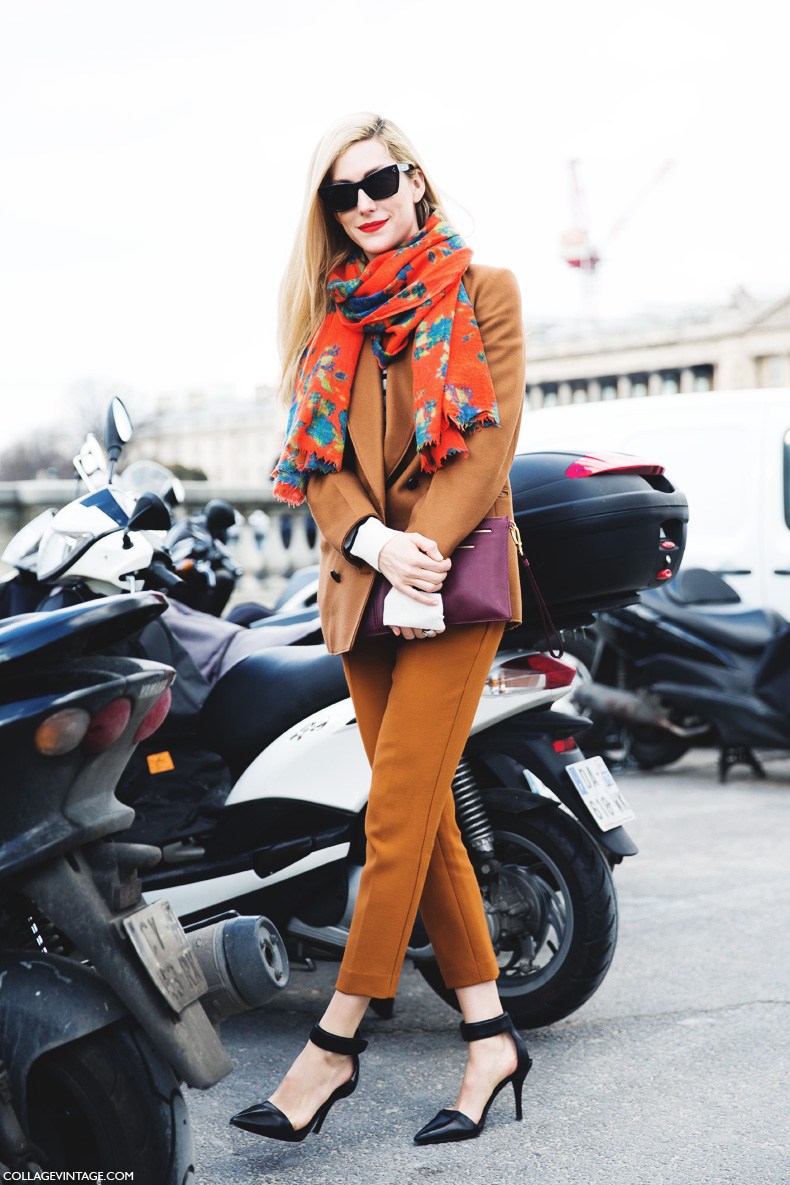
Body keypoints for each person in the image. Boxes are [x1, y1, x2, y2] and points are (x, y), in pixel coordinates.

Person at [230, 112, 530, 1147]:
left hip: (451, 590)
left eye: (380, 181)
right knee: (429, 824)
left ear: (416, 183)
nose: (364, 204)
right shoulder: (329, 328)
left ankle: (334, 1044)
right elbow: (322, 471)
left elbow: (486, 447)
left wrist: (423, 550)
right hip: (363, 596)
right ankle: (490, 1037)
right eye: (341, 193)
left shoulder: (485, 291)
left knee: (394, 817)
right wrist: (369, 542)